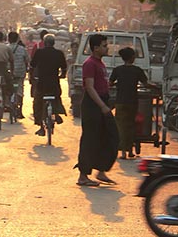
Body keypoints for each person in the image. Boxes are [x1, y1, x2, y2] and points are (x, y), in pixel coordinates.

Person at [74, 34, 119, 187]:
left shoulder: (100, 63)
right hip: (93, 105)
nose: (107, 48)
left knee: (107, 136)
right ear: (96, 48)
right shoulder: (90, 64)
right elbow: (89, 87)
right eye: (104, 45)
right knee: (90, 139)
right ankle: (83, 176)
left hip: (102, 102)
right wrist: (102, 106)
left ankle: (101, 170)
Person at [109, 47, 157, 159]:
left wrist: (117, 83)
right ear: (131, 57)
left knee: (121, 126)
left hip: (120, 102)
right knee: (131, 125)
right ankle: (130, 151)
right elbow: (146, 84)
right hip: (132, 102)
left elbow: (110, 83)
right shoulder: (137, 70)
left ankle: (123, 153)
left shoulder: (117, 70)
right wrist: (155, 86)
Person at [30, 34, 67, 136]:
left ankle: (41, 126)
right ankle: (56, 113)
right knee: (57, 97)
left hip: (41, 83)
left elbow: (32, 66)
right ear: (53, 43)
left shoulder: (39, 52)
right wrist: (62, 75)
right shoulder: (59, 53)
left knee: (38, 103)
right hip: (54, 82)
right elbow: (64, 68)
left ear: (44, 43)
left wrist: (32, 76)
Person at [8, 31, 29, 119]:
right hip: (20, 73)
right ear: (17, 39)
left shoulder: (6, 48)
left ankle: (8, 104)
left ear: (8, 39)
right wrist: (27, 68)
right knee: (20, 90)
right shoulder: (22, 49)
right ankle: (20, 110)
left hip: (9, 73)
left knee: (8, 89)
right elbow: (27, 60)